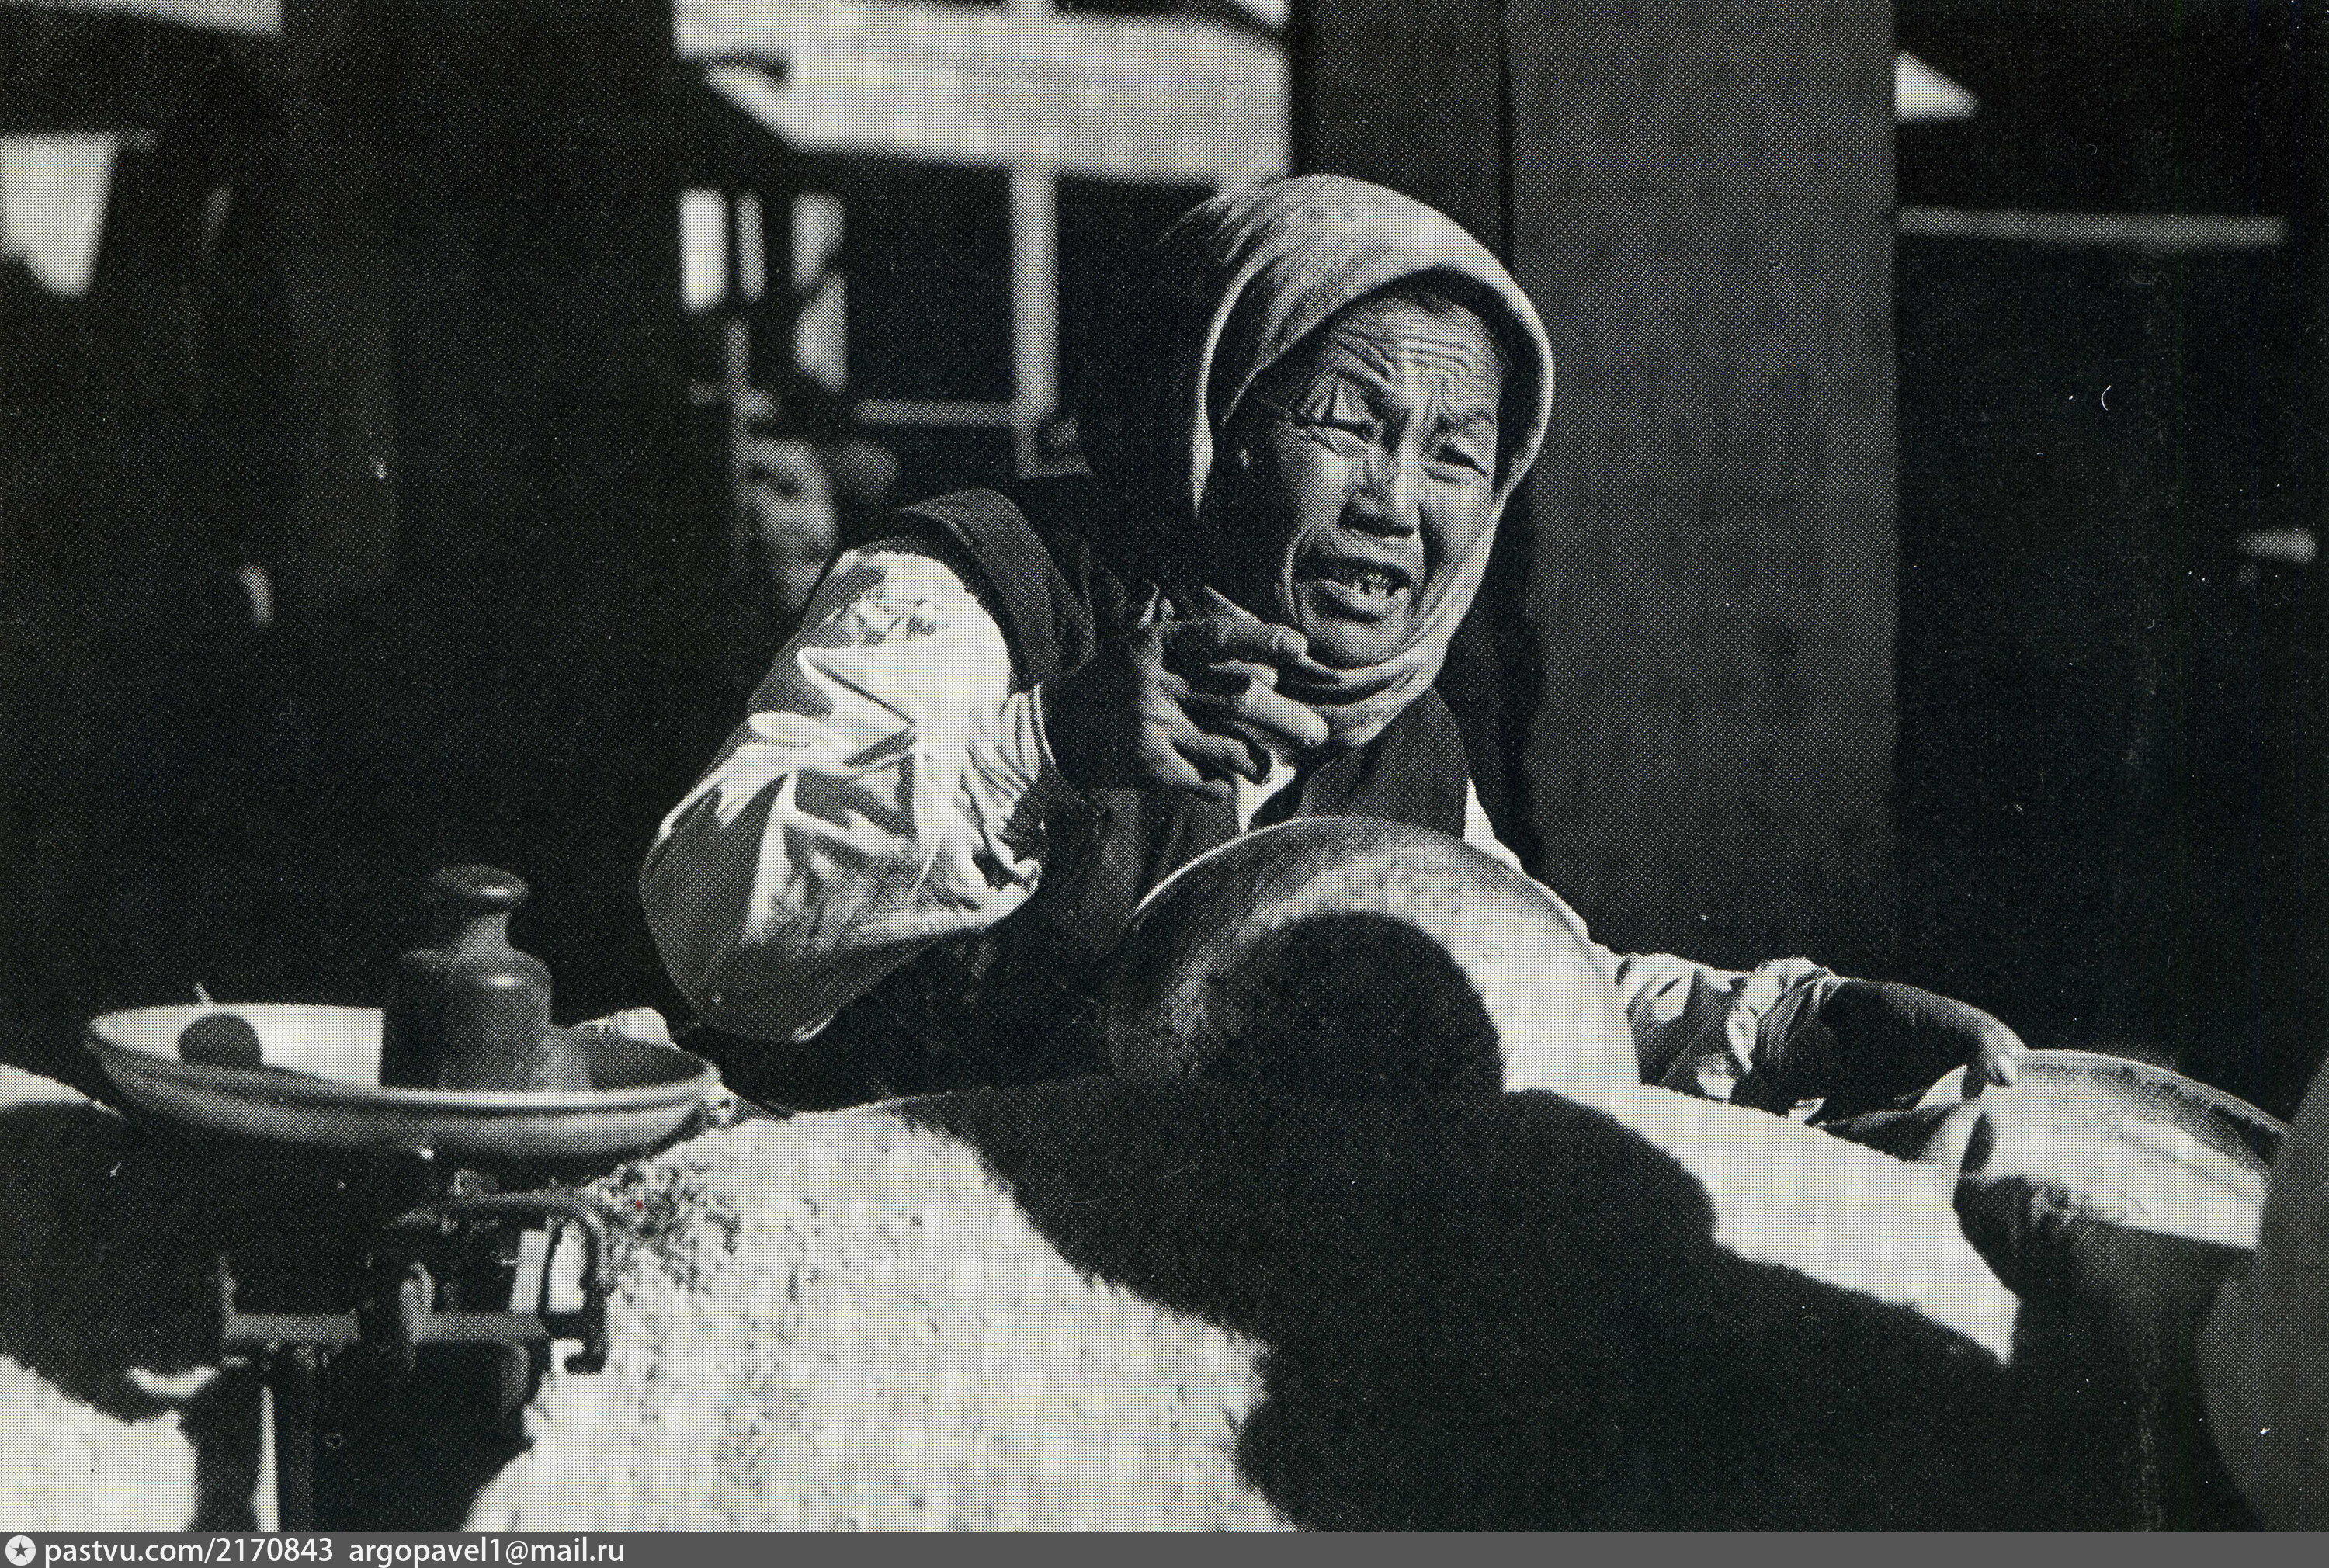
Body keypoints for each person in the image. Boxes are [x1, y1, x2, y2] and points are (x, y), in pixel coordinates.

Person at [640, 175, 2025, 1111]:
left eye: (1455, 454)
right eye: (1349, 425)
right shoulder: (977, 591)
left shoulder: (1397, 732)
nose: (1399, 503)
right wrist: (1045, 745)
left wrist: (1793, 1030)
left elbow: (1510, 976)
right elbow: (709, 923)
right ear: (1213, 420)